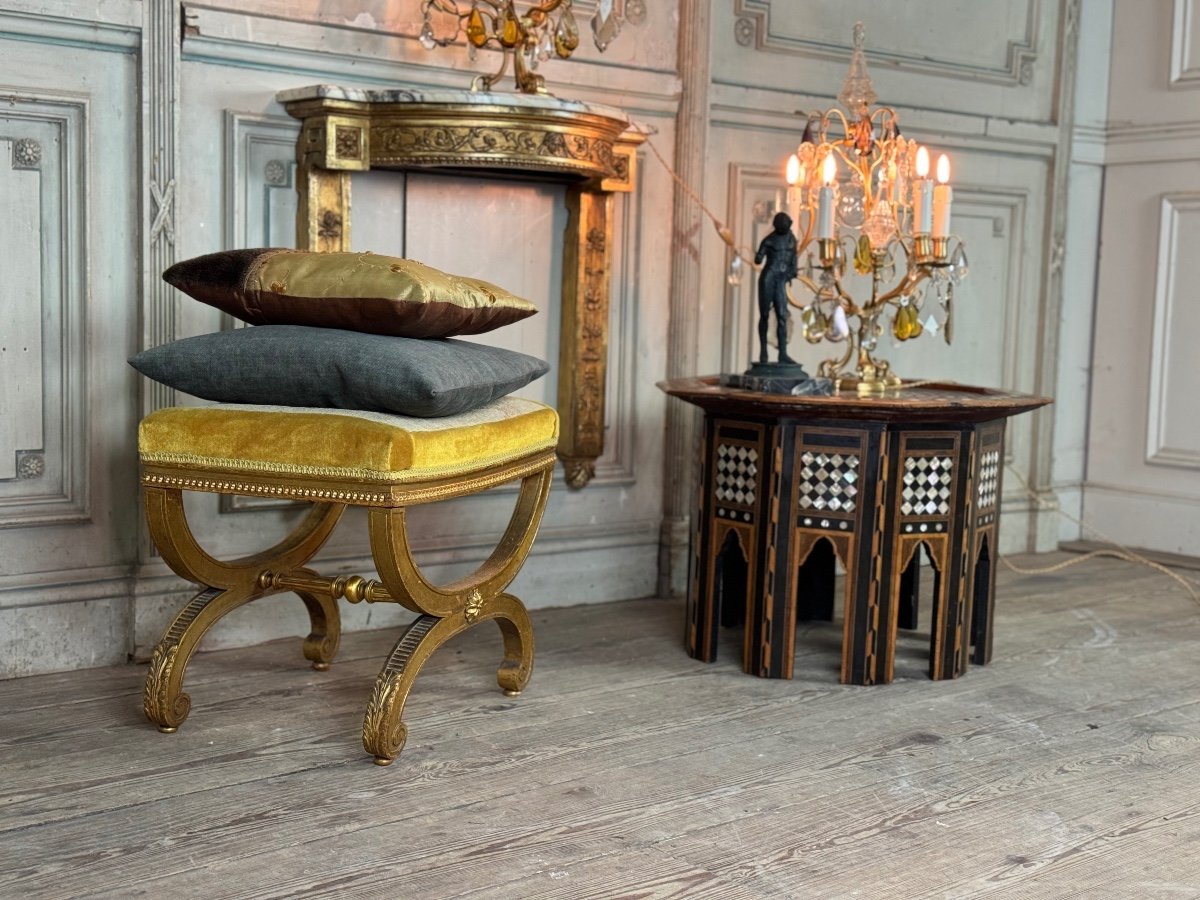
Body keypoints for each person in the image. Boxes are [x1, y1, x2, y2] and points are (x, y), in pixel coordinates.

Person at [754, 212, 799, 366]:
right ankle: (763, 352)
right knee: (765, 315)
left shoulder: (792, 239)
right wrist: (759, 255)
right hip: (768, 278)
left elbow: (794, 261)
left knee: (782, 315)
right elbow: (758, 259)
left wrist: (791, 273)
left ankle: (783, 353)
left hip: (781, 279)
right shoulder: (769, 240)